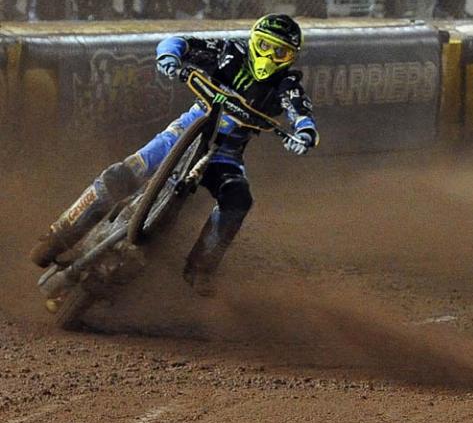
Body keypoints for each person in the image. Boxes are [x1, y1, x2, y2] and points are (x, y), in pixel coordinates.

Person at [30, 15, 319, 294]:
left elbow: (302, 115)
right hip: (184, 131)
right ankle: (60, 233)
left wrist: (304, 135)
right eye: (265, 46)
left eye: (279, 52)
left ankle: (201, 268)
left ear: (290, 58)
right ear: (254, 41)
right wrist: (170, 58)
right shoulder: (230, 52)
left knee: (238, 200)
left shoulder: (287, 85)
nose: (269, 56)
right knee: (120, 174)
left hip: (225, 154)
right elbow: (179, 42)